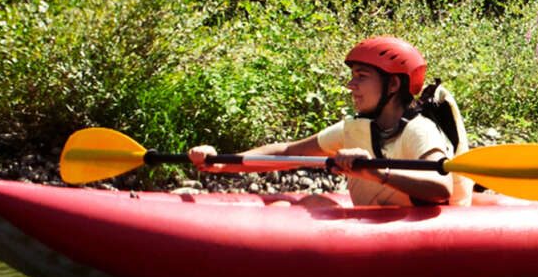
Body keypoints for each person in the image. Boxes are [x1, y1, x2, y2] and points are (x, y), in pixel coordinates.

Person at [187, 36, 468, 207]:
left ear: (393, 84)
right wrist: (223, 162)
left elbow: (440, 189)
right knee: (305, 203)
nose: (351, 85)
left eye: (361, 76)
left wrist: (375, 172)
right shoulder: (356, 130)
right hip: (379, 221)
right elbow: (287, 152)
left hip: (431, 226)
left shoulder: (420, 129)